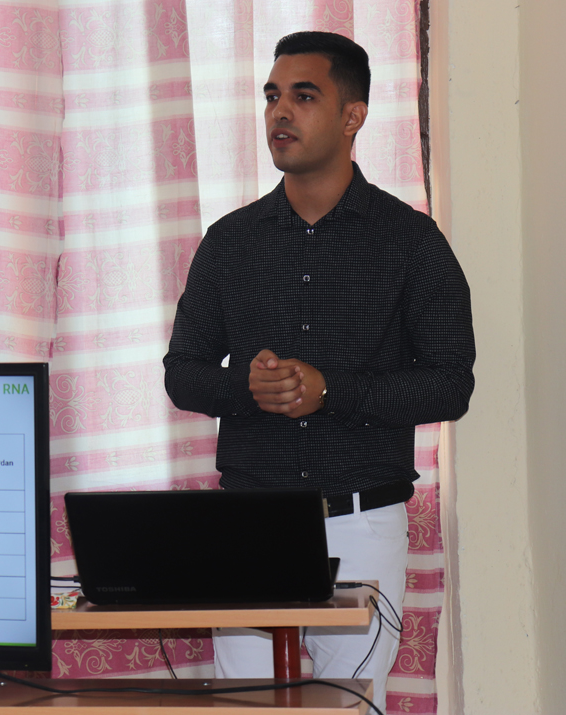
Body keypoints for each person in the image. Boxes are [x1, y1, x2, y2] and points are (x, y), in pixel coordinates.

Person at [162, 31, 474, 712]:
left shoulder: (411, 242)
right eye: (273, 96)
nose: (281, 112)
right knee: (245, 704)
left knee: (350, 705)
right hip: (249, 521)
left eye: (304, 96)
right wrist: (245, 387)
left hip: (361, 521)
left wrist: (332, 391)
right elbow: (182, 373)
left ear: (352, 115)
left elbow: (452, 382)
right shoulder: (230, 243)